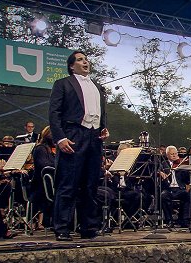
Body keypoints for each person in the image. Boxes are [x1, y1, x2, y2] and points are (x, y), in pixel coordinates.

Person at [49, 50, 109, 241]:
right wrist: (60, 138)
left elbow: (100, 111)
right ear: (71, 65)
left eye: (86, 59)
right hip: (73, 134)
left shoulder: (97, 86)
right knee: (68, 184)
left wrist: (103, 127)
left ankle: (88, 226)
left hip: (94, 136)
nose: (85, 62)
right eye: (80, 59)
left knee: (90, 184)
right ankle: (62, 227)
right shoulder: (62, 84)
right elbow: (54, 113)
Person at [158, 146, 191, 228]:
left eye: (176, 153)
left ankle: (184, 219)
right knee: (163, 196)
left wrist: (184, 169)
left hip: (179, 188)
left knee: (187, 195)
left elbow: (187, 179)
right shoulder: (164, 164)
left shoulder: (181, 163)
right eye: (172, 154)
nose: (174, 156)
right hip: (168, 189)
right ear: (167, 155)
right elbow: (158, 172)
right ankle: (169, 220)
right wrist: (160, 173)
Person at [31, 126, 56, 230]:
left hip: (52, 183)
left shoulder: (52, 150)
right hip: (42, 185)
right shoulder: (40, 149)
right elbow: (45, 166)